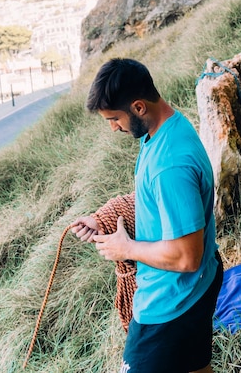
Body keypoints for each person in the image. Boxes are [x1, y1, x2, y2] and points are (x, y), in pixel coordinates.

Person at [71, 57, 223, 373]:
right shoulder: (168, 129)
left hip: (171, 302)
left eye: (114, 118)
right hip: (199, 284)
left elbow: (185, 257)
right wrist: (102, 219)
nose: (113, 127)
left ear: (139, 107)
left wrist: (124, 249)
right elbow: (157, 202)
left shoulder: (170, 165)